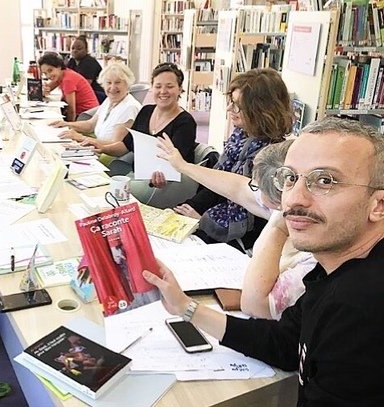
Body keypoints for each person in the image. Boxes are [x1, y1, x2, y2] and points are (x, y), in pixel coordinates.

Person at [145, 117, 384, 405]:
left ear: (378, 206)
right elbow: (283, 343)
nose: (294, 199)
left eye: (325, 181)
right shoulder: (335, 268)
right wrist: (185, 307)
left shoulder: (360, 306)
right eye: (290, 178)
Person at [158, 138, 316, 319]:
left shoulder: (309, 257)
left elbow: (256, 306)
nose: (253, 189)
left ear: (277, 199)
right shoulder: (281, 206)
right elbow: (236, 186)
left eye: (255, 184)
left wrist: (277, 226)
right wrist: (182, 166)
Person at [161, 68, 292, 249]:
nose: (230, 109)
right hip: (214, 223)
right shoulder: (240, 137)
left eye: (238, 105)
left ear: (260, 109)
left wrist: (201, 222)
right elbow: (216, 183)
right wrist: (186, 209)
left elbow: (256, 220)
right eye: (231, 101)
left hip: (238, 242)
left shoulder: (273, 160)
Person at [82, 62, 197, 205]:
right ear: (152, 88)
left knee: (109, 195)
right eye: (158, 86)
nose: (163, 91)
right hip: (137, 175)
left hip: (166, 184)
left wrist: (162, 178)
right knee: (99, 188)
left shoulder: (185, 122)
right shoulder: (146, 111)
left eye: (170, 86)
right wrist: (100, 147)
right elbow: (125, 145)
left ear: (180, 89)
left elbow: (178, 166)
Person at [50, 62, 140, 143]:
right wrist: (66, 124)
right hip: (97, 148)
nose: (112, 87)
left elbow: (115, 145)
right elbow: (90, 125)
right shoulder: (109, 100)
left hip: (107, 156)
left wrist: (81, 138)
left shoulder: (130, 107)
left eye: (117, 82)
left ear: (127, 84)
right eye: (109, 83)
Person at [38, 52, 99, 121]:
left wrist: (69, 127)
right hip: (86, 113)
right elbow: (47, 88)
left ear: (59, 66)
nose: (48, 76)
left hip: (88, 116)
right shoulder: (62, 74)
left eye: (50, 70)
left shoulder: (68, 80)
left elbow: (71, 110)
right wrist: (44, 90)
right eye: (45, 73)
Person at [66, 35, 105, 102]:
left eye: (79, 49)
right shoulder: (72, 61)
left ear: (86, 50)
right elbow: (63, 75)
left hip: (96, 93)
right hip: (80, 92)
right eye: (73, 48)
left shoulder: (89, 62)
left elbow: (85, 85)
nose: (75, 51)